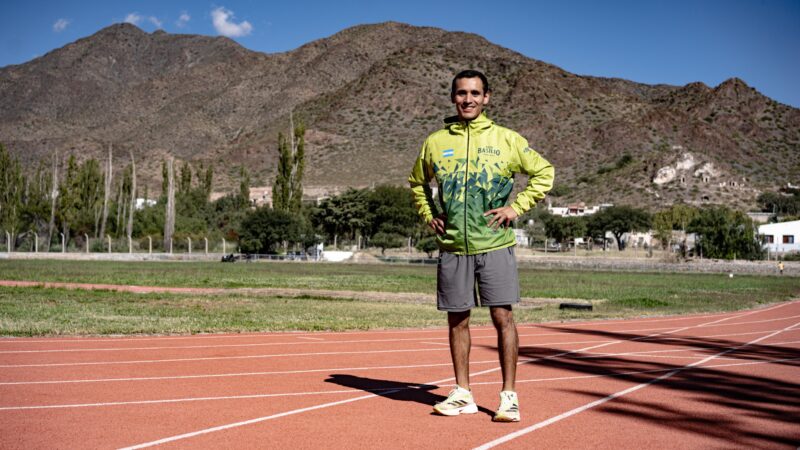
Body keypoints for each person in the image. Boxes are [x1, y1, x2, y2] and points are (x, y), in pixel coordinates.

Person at [408, 69, 554, 422]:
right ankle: (462, 394)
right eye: (461, 93)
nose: (468, 99)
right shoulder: (435, 142)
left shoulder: (506, 139)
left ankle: (509, 396)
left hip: (494, 242)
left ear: (487, 97)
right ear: (453, 97)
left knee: (502, 317)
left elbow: (544, 173)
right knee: (457, 320)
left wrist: (515, 208)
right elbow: (417, 183)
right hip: (454, 246)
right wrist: (429, 214)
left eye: (475, 93)